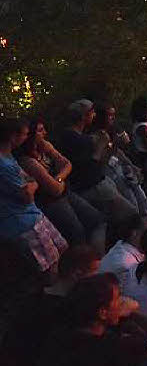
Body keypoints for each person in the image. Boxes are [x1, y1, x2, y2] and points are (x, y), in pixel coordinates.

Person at [14, 117, 105, 251]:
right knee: (77, 232)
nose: (45, 132)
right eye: (40, 130)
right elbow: (54, 190)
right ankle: (83, 262)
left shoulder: (45, 148)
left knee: (97, 219)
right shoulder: (28, 162)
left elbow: (67, 164)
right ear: (30, 135)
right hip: (51, 202)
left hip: (65, 192)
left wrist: (59, 178)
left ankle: (96, 256)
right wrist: (60, 180)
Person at [0, 117, 67, 274]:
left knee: (62, 247)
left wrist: (32, 183)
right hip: (23, 222)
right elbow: (28, 195)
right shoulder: (4, 166)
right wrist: (33, 184)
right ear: (12, 136)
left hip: (33, 215)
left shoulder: (9, 157)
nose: (26, 137)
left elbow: (31, 182)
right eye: (24, 134)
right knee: (50, 268)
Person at [56, 99, 138, 223]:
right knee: (130, 213)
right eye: (92, 112)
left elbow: (101, 161)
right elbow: (90, 165)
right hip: (92, 186)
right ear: (83, 116)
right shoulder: (75, 139)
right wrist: (102, 146)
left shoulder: (81, 136)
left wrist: (113, 145)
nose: (94, 115)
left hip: (99, 181)